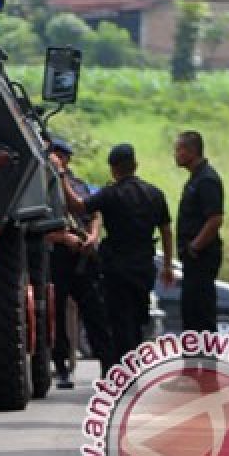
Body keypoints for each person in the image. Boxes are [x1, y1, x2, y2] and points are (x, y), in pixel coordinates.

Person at [62, 143, 173, 365]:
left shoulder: (110, 194)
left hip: (116, 269)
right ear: (135, 165)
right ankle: (133, 368)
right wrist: (168, 265)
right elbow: (167, 231)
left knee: (118, 321)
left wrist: (62, 175)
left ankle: (120, 372)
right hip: (143, 267)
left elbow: (78, 207)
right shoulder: (155, 194)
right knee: (138, 320)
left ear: (114, 169)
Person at [46, 139, 114, 386]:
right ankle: (61, 367)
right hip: (56, 257)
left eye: (60, 156)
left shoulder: (79, 185)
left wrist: (93, 236)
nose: (57, 161)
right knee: (57, 316)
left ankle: (108, 367)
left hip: (83, 258)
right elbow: (32, 228)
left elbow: (94, 212)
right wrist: (64, 238)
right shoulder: (41, 187)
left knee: (96, 313)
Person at [174, 131, 224, 333]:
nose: (175, 154)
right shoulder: (196, 178)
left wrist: (195, 246)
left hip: (201, 258)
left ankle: (207, 361)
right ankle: (194, 360)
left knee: (201, 313)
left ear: (191, 151)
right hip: (193, 258)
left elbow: (215, 219)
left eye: (179, 149)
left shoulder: (207, 180)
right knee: (191, 313)